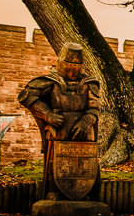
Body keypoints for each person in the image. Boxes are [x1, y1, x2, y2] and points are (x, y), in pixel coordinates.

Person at [18, 42, 101, 201]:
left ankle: (86, 192)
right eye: (69, 64)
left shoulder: (90, 83)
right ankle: (54, 190)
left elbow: (94, 108)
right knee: (55, 160)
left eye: (76, 65)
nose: (72, 69)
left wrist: (86, 122)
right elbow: (27, 96)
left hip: (83, 130)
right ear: (61, 63)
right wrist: (47, 114)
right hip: (59, 128)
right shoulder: (50, 81)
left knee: (85, 162)